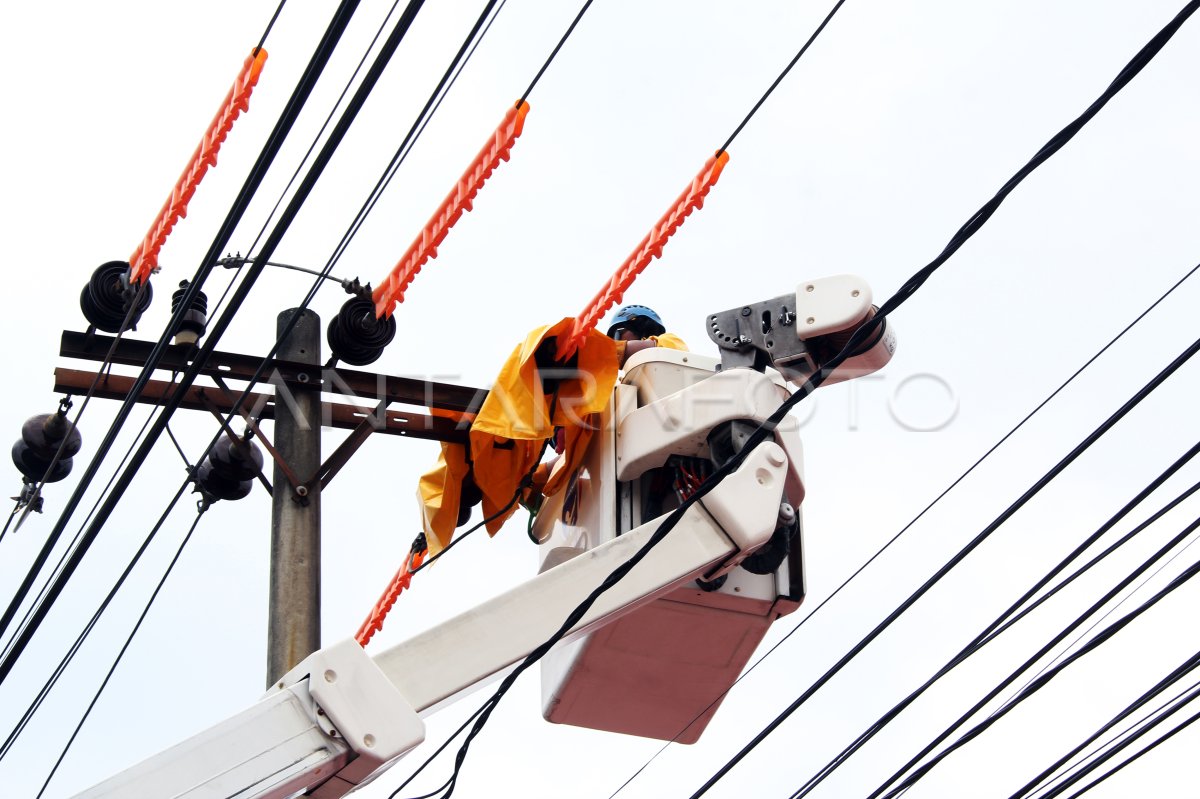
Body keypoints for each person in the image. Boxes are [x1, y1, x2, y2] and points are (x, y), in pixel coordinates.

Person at [606, 304, 688, 365]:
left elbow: (645, 349)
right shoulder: (625, 376)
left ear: (640, 327)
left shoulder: (670, 340)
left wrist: (601, 350)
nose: (616, 341)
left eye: (618, 334)